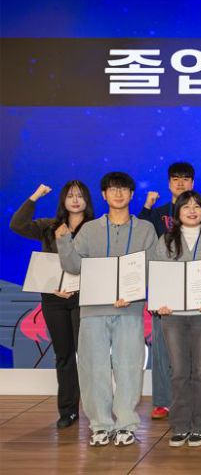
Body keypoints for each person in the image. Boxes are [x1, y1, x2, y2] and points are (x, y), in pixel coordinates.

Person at [56, 172, 157, 447]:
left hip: (130, 308)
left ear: (132, 194)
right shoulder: (90, 229)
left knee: (129, 367)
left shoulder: (146, 229)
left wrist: (132, 294)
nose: (118, 194)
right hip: (93, 309)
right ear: (103, 195)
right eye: (112, 189)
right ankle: (100, 424)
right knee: (93, 368)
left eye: (123, 189)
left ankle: (126, 424)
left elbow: (151, 267)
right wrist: (64, 242)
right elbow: (74, 266)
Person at [10, 181, 95, 429]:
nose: (75, 200)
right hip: (53, 299)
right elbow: (17, 225)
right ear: (63, 201)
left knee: (88, 355)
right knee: (64, 355)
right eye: (70, 196)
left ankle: (96, 411)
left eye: (80, 196)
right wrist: (35, 196)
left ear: (87, 200)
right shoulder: (49, 226)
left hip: (84, 298)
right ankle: (68, 411)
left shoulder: (95, 228)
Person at [152, 191, 201, 448]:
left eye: (197, 206)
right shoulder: (165, 241)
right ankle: (180, 425)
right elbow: (157, 273)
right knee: (178, 371)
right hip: (173, 316)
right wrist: (160, 301)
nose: (192, 210)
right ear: (178, 213)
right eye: (186, 206)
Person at [140, 161, 196, 420]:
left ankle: (191, 398)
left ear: (192, 183)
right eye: (175, 179)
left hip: (193, 286)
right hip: (162, 286)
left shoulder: (198, 211)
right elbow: (141, 237)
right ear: (168, 183)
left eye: (185, 179)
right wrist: (147, 207)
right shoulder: (158, 212)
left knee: (193, 348)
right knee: (162, 349)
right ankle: (162, 401)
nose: (180, 183)